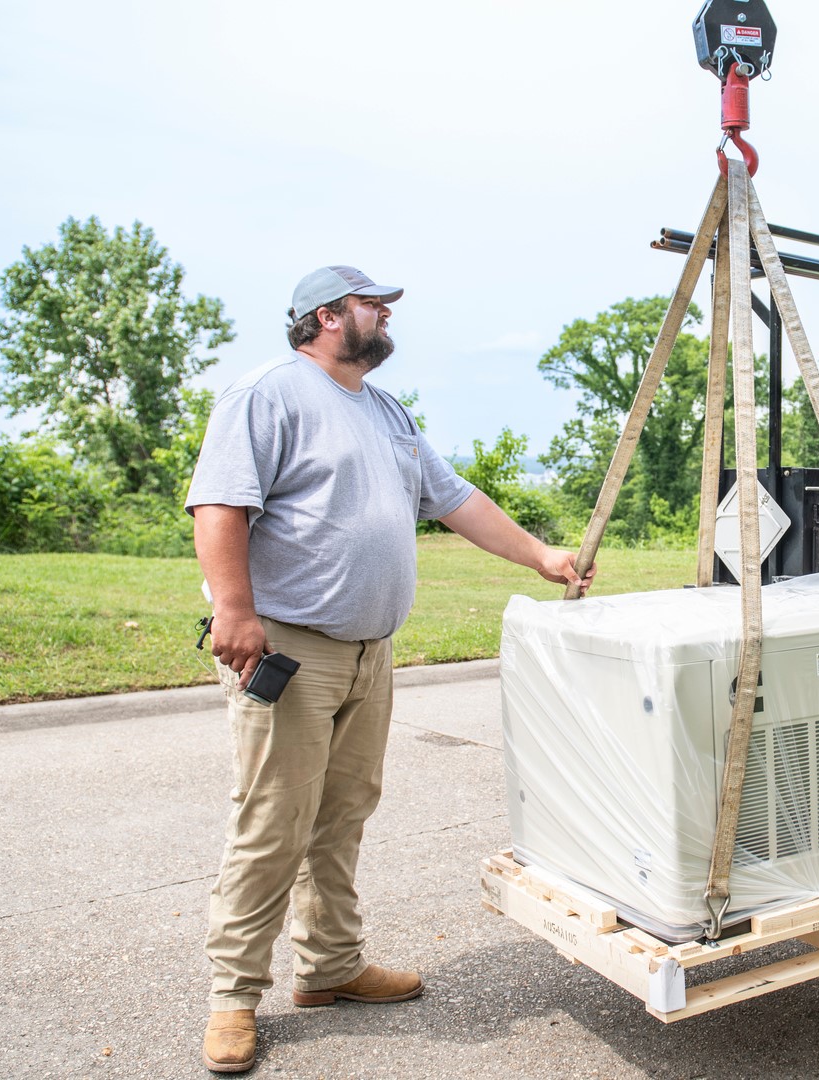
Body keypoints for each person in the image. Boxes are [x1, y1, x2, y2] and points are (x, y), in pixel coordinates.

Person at [184, 265, 592, 1074]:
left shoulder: (383, 409)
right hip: (292, 650)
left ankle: (330, 966)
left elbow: (453, 499)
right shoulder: (268, 393)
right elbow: (220, 504)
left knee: (341, 814)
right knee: (273, 822)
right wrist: (234, 612)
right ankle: (233, 998)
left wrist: (540, 554)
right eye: (375, 304)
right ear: (330, 317)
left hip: (371, 650)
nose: (387, 316)